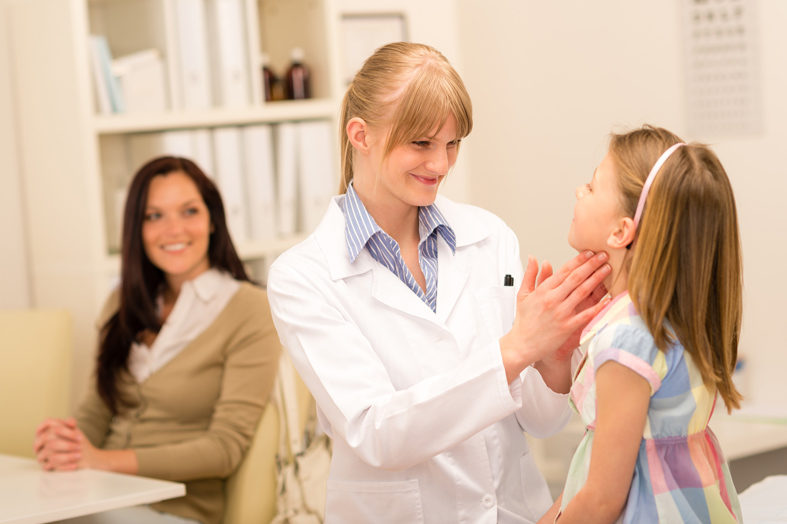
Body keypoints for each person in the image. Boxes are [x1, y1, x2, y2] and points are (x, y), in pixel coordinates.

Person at [266, 42, 611, 524]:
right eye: (422, 144)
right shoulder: (303, 277)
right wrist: (517, 349)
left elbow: (541, 422)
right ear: (360, 135)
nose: (442, 165)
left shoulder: (488, 236)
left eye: (452, 144)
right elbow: (377, 433)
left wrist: (552, 359)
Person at [33, 156, 281, 524]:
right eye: (154, 216)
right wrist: (66, 445)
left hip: (174, 509)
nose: (173, 229)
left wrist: (102, 461)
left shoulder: (250, 309)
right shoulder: (122, 303)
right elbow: (96, 410)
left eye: (189, 211)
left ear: (212, 220)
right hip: (94, 496)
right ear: (138, 228)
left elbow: (224, 448)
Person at [538, 125, 743, 523]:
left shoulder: (626, 337)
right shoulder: (670, 317)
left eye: (591, 186)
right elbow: (592, 473)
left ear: (621, 231)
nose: (579, 191)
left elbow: (602, 499)